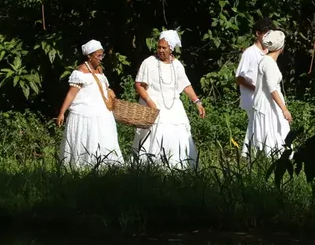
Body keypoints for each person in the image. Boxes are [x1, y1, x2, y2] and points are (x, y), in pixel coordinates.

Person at [133, 30, 205, 169]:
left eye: (164, 48)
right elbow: (139, 85)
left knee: (178, 135)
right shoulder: (149, 63)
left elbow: (185, 85)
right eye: (159, 47)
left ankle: (178, 167)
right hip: (154, 105)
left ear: (171, 48)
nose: (160, 50)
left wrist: (197, 101)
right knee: (157, 135)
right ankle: (154, 167)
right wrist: (150, 102)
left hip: (173, 106)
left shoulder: (176, 65)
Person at [56, 40, 123, 168]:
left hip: (102, 113)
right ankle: (85, 166)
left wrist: (110, 91)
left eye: (102, 55)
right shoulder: (80, 73)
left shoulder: (99, 70)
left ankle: (108, 167)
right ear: (89, 56)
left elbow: (104, 88)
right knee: (88, 140)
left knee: (105, 140)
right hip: (85, 113)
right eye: (98, 55)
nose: (100, 58)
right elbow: (71, 94)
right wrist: (62, 113)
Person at [244, 30, 291, 156]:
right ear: (281, 47)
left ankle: (277, 156)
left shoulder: (267, 61)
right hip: (268, 104)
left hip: (270, 102)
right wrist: (284, 109)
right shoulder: (268, 63)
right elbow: (272, 88)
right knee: (274, 130)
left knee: (276, 130)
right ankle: (274, 157)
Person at [236, 17, 273, 154]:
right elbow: (239, 77)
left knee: (261, 125)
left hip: (265, 97)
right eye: (266, 34)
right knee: (256, 125)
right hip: (252, 98)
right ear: (258, 34)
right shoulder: (249, 53)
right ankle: (251, 153)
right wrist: (256, 88)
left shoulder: (269, 53)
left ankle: (256, 152)